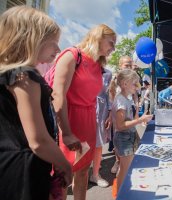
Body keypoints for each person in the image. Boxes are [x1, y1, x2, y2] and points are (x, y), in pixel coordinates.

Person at [0, 6, 72, 200]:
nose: (58, 49)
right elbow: (38, 140)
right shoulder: (26, 76)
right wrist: (64, 165)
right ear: (31, 39)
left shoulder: (8, 74)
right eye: (53, 43)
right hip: (24, 172)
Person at [51, 24, 116, 199]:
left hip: (88, 122)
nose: (113, 48)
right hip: (68, 120)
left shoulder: (97, 65)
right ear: (99, 37)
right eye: (111, 42)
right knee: (63, 177)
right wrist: (66, 132)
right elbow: (58, 94)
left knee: (82, 173)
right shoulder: (72, 55)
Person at [111, 69, 153, 192]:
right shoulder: (121, 101)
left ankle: (123, 192)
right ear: (125, 84)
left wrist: (139, 115)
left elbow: (130, 120)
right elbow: (120, 126)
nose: (138, 87)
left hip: (129, 135)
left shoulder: (125, 98)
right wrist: (140, 120)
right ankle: (121, 194)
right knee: (125, 169)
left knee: (127, 168)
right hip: (124, 138)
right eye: (135, 84)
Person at [89, 67, 112, 187]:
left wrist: (110, 112)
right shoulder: (81, 68)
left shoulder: (108, 73)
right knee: (82, 144)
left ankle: (95, 174)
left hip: (101, 112)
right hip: (84, 109)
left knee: (98, 144)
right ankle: (78, 173)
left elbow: (107, 94)